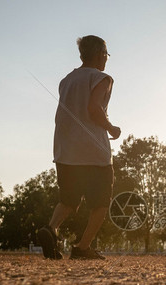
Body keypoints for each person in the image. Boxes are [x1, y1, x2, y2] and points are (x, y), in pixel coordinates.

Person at [38, 35, 121, 260]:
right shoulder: (103, 78)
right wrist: (112, 128)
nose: (107, 59)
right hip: (93, 152)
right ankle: (82, 247)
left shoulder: (66, 80)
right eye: (106, 54)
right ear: (100, 54)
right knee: (101, 202)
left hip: (65, 150)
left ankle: (50, 229)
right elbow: (93, 109)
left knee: (68, 200)